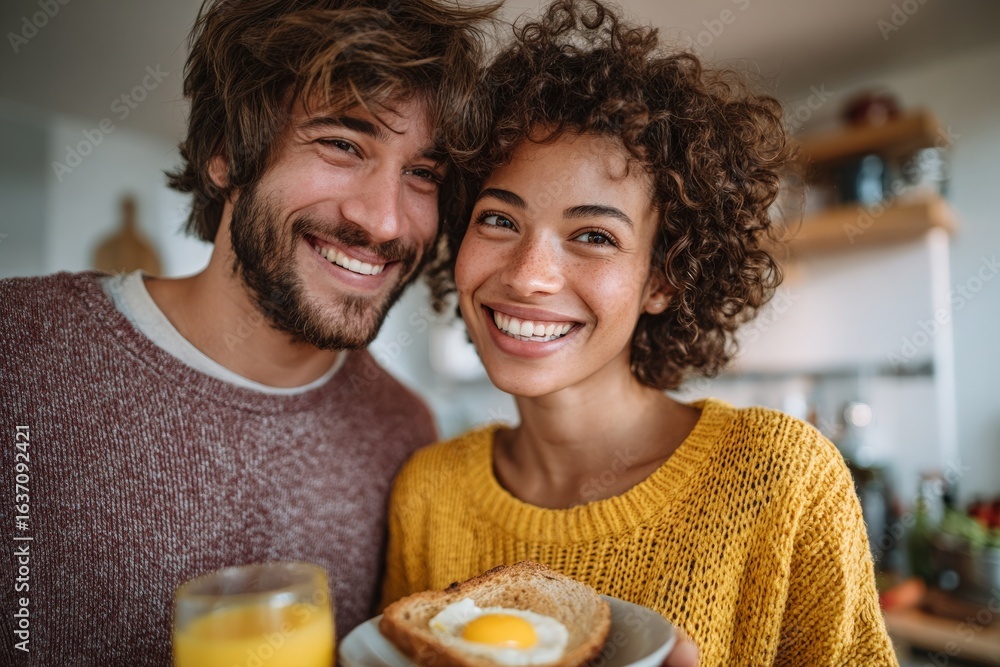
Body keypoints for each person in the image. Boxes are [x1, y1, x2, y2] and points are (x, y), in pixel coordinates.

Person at [382, 1, 899, 665]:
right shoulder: (428, 493)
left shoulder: (784, 480)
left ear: (663, 279)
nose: (529, 276)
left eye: (593, 235)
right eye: (498, 220)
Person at [0, 0, 498, 663]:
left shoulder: (402, 432)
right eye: (343, 144)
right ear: (225, 152)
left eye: (423, 174)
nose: (384, 222)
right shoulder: (20, 346)